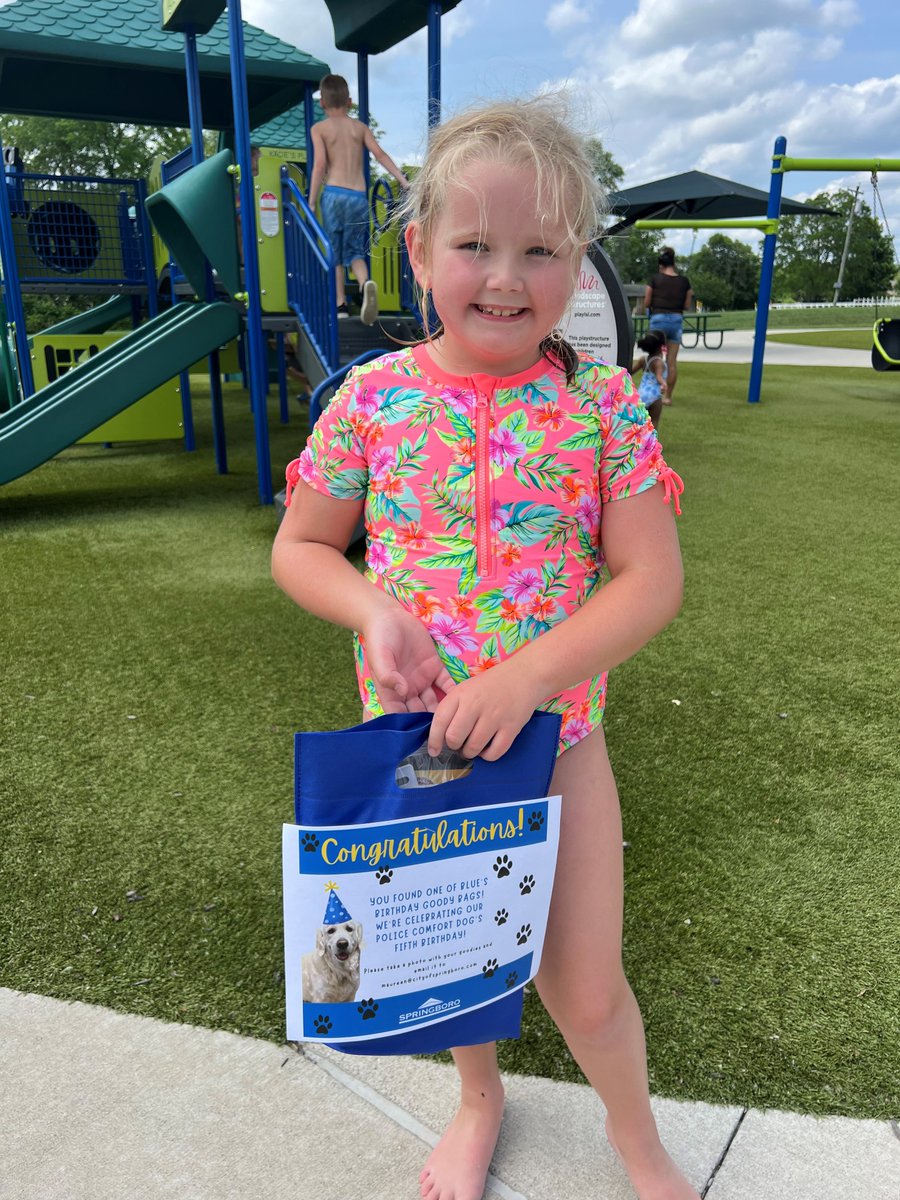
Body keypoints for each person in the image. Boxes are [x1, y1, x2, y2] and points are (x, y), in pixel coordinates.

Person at [272, 96, 696, 1200]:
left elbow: (651, 578)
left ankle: (635, 1139)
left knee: (588, 991)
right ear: (418, 251)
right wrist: (372, 608)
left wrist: (530, 678)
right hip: (422, 749)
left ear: (579, 263)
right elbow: (302, 546)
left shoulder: (603, 406)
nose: (505, 278)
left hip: (564, 749)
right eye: (473, 246)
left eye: (540, 251)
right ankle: (478, 1097)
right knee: (452, 966)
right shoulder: (372, 399)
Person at [308, 74, 409, 326]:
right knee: (354, 251)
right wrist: (403, 180)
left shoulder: (319, 129)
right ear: (350, 102)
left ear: (322, 103)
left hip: (333, 195)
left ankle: (340, 304)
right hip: (358, 197)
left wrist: (311, 201)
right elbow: (380, 154)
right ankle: (365, 285)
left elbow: (320, 165)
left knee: (334, 252)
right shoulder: (360, 128)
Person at [643, 246, 693, 403]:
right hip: (676, 320)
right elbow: (686, 305)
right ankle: (668, 397)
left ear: (661, 266)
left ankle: (653, 393)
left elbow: (646, 302)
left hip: (658, 320)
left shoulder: (655, 279)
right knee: (672, 362)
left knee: (654, 357)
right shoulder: (685, 282)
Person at [632, 330, 668, 430]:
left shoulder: (643, 360)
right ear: (661, 345)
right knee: (654, 421)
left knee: (640, 422)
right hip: (654, 396)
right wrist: (664, 384)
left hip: (641, 395)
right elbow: (659, 377)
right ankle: (651, 444)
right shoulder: (658, 362)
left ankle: (638, 442)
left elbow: (630, 371)